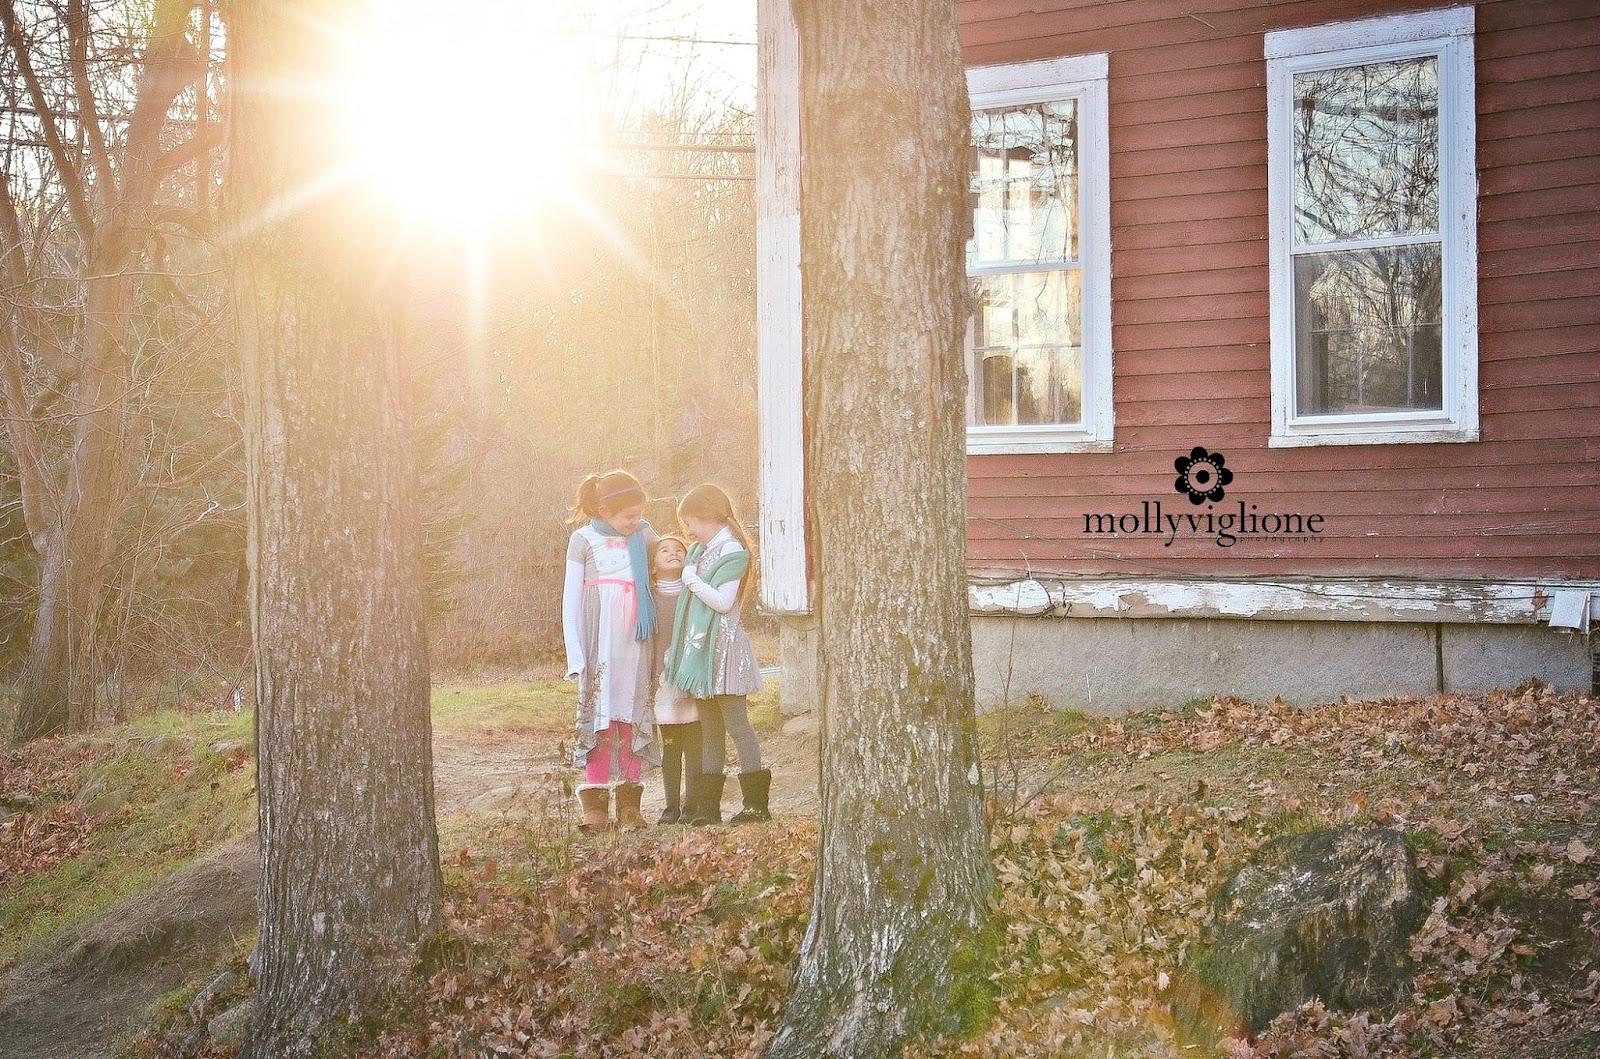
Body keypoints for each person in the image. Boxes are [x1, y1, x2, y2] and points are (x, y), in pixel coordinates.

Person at [664, 484, 769, 825]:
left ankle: (755, 806)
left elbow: (724, 603)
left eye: (690, 522)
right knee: (710, 729)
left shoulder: (732, 551)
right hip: (702, 654)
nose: (688, 530)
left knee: (737, 725)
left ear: (707, 516)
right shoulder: (700, 552)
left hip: (724, 652)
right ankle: (708, 808)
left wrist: (691, 580)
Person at [563, 470, 661, 831]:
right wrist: (575, 654)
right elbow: (570, 599)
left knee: (631, 717)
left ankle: (630, 806)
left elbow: (672, 559)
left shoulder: (644, 534)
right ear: (604, 510)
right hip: (599, 644)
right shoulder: (582, 539)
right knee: (601, 720)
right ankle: (596, 808)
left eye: (639, 514)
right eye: (628, 516)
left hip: (636, 641)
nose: (635, 521)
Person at [648, 535, 700, 824]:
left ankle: (692, 805)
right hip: (663, 683)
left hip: (691, 678)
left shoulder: (693, 593)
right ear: (653, 565)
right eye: (664, 550)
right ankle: (671, 807)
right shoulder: (650, 598)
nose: (673, 553)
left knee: (694, 744)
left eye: (679, 549)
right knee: (670, 746)